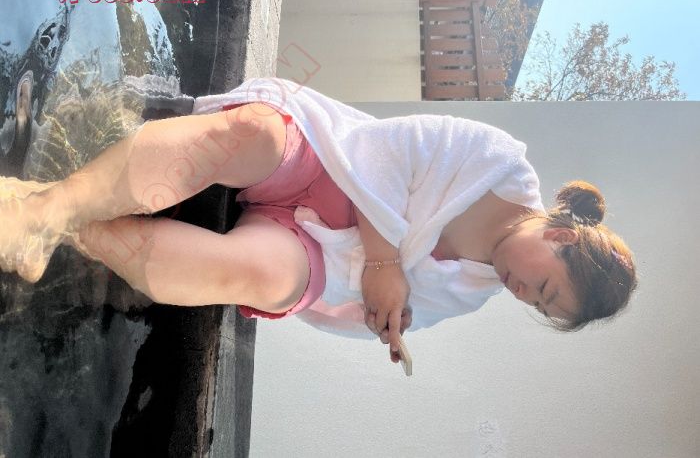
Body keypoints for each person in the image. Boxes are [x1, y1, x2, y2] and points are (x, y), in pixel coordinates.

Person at [0, 78, 637, 364]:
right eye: (545, 286)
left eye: (539, 306)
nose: (524, 295)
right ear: (560, 236)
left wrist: (383, 317)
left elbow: (374, 299)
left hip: (313, 250)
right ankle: (45, 210)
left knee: (256, 277)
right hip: (323, 163)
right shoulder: (496, 161)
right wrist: (384, 261)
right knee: (249, 133)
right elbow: (383, 150)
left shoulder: (474, 291)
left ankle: (71, 230)